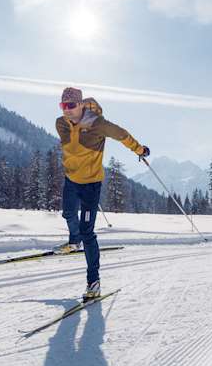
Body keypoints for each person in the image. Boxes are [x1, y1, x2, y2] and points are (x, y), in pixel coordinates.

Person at [55, 87, 149, 301]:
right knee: (68, 214)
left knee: (88, 232)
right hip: (71, 180)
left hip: (90, 185)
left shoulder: (98, 124)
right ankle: (73, 241)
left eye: (71, 105)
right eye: (63, 106)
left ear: (81, 104)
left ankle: (93, 282)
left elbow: (122, 134)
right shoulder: (60, 123)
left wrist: (140, 150)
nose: (67, 110)